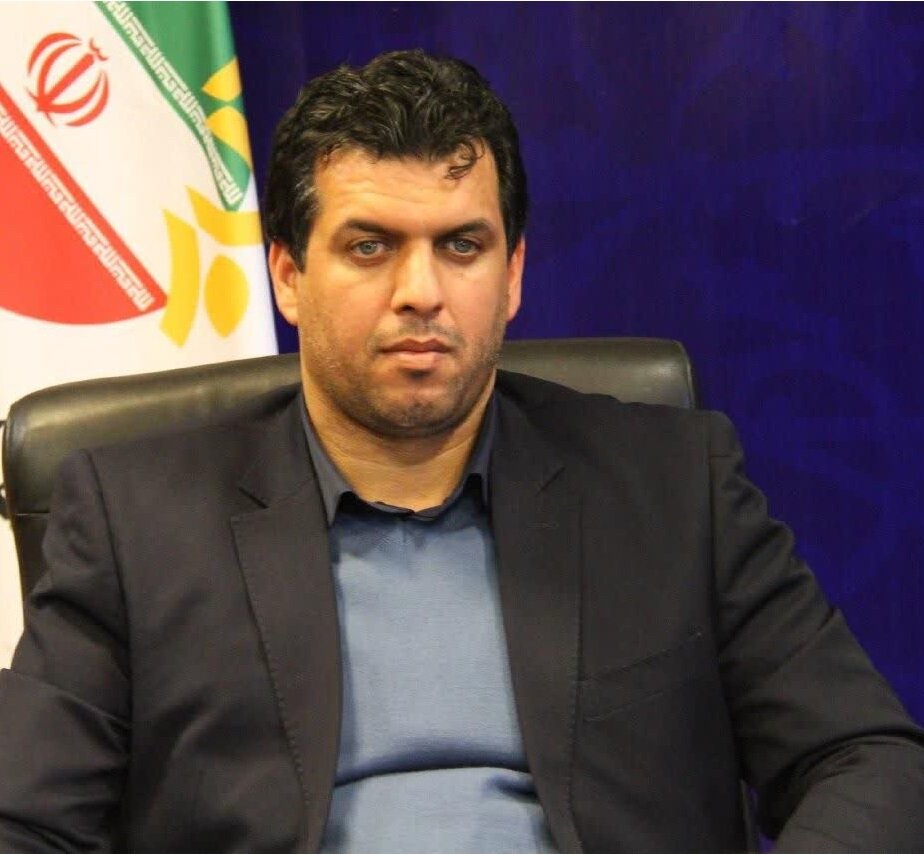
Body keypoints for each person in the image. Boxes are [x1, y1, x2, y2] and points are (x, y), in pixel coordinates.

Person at [1, 49, 922, 853]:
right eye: (370, 246)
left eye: (462, 245)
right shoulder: (135, 520)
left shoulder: (675, 485)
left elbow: (869, 757)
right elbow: (23, 821)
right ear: (287, 274)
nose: (421, 291)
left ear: (512, 274)